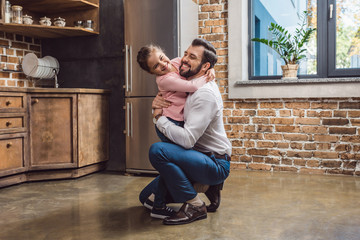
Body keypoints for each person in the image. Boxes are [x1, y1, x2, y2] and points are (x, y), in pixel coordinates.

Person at [140, 38, 232, 225]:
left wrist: (158, 118)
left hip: (214, 161)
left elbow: (188, 140)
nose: (184, 60)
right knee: (146, 198)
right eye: (185, 54)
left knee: (158, 151)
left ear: (205, 66)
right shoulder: (186, 78)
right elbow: (169, 92)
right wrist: (156, 106)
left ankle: (195, 205)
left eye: (192, 57)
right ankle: (206, 187)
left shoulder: (204, 94)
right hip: (195, 155)